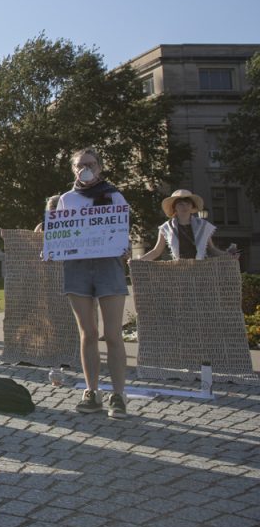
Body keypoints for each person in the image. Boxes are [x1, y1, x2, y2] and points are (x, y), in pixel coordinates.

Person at [52, 148, 130, 419]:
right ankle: (91, 390)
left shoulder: (113, 195)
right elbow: (59, 233)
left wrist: (125, 247)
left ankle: (118, 395)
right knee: (87, 332)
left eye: (90, 164)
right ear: (73, 169)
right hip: (78, 268)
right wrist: (52, 249)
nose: (84, 169)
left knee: (112, 334)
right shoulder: (66, 199)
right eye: (79, 165)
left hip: (108, 265)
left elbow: (122, 231)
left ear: (99, 167)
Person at [138, 189, 234, 261]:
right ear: (174, 207)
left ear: (192, 206)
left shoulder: (203, 226)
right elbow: (156, 251)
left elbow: (212, 249)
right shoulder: (166, 227)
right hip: (179, 271)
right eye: (180, 204)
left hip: (200, 270)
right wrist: (138, 261)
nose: (185, 207)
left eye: (187, 203)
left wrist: (228, 255)